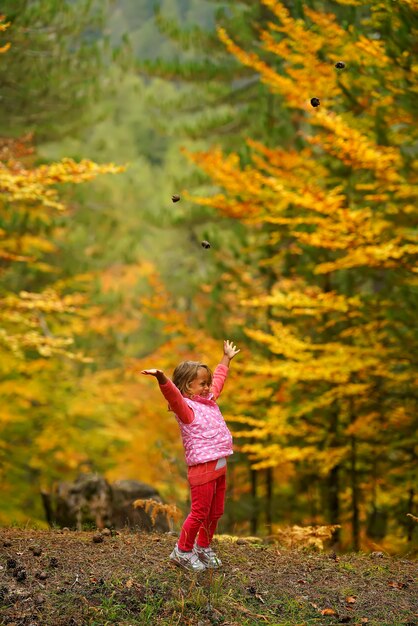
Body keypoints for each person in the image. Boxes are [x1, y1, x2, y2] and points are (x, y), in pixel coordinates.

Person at [141, 339, 240, 572]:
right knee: (199, 513)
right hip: (202, 469)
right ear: (186, 387)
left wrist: (226, 358)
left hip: (220, 464)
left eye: (207, 383)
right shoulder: (186, 409)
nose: (207, 387)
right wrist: (163, 379)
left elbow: (219, 381)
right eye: (201, 384)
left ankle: (203, 547)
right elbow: (173, 397)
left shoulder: (209, 400)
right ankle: (183, 551)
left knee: (215, 512)